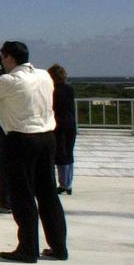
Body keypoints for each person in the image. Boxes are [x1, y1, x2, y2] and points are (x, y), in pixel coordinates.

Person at [0, 41, 68, 263]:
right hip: (47, 137)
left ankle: (28, 249)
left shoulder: (10, 80)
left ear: (10, 58)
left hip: (21, 140)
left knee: (22, 196)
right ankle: (59, 247)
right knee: (48, 194)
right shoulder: (44, 75)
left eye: (2, 57)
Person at [48, 64, 77, 195]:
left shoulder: (53, 90)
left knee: (60, 155)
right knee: (69, 153)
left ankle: (64, 183)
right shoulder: (69, 89)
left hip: (58, 124)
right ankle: (68, 183)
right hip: (70, 124)